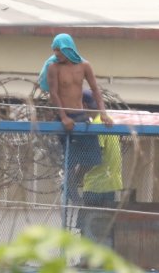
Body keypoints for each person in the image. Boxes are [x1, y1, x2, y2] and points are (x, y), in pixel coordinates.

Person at [38, 33, 113, 130]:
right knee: (63, 145)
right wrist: (64, 117)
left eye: (59, 50)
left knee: (91, 145)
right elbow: (53, 93)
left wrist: (103, 114)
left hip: (80, 115)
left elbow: (95, 90)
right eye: (54, 50)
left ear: (68, 48)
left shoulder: (85, 66)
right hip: (63, 118)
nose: (56, 53)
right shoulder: (54, 67)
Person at [79, 90, 124, 249]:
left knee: (88, 225)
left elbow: (93, 158)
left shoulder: (97, 125)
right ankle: (104, 263)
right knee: (105, 227)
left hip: (96, 186)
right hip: (111, 184)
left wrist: (76, 176)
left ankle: (87, 263)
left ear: (83, 105)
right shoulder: (107, 121)